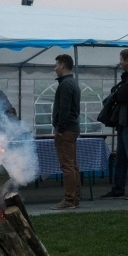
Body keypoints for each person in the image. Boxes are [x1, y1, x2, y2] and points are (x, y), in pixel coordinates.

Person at [101, 49, 128, 200]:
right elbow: (118, 92)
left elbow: (121, 96)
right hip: (124, 121)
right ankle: (118, 188)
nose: (119, 62)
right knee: (121, 158)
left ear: (127, 60)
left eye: (121, 59)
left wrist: (116, 94)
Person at [51, 54, 81, 210]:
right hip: (72, 128)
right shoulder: (72, 83)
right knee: (73, 165)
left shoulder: (65, 85)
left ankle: (69, 200)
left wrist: (60, 129)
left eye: (56, 65)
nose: (55, 68)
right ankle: (74, 198)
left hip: (66, 129)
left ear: (62, 65)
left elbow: (64, 110)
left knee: (67, 166)